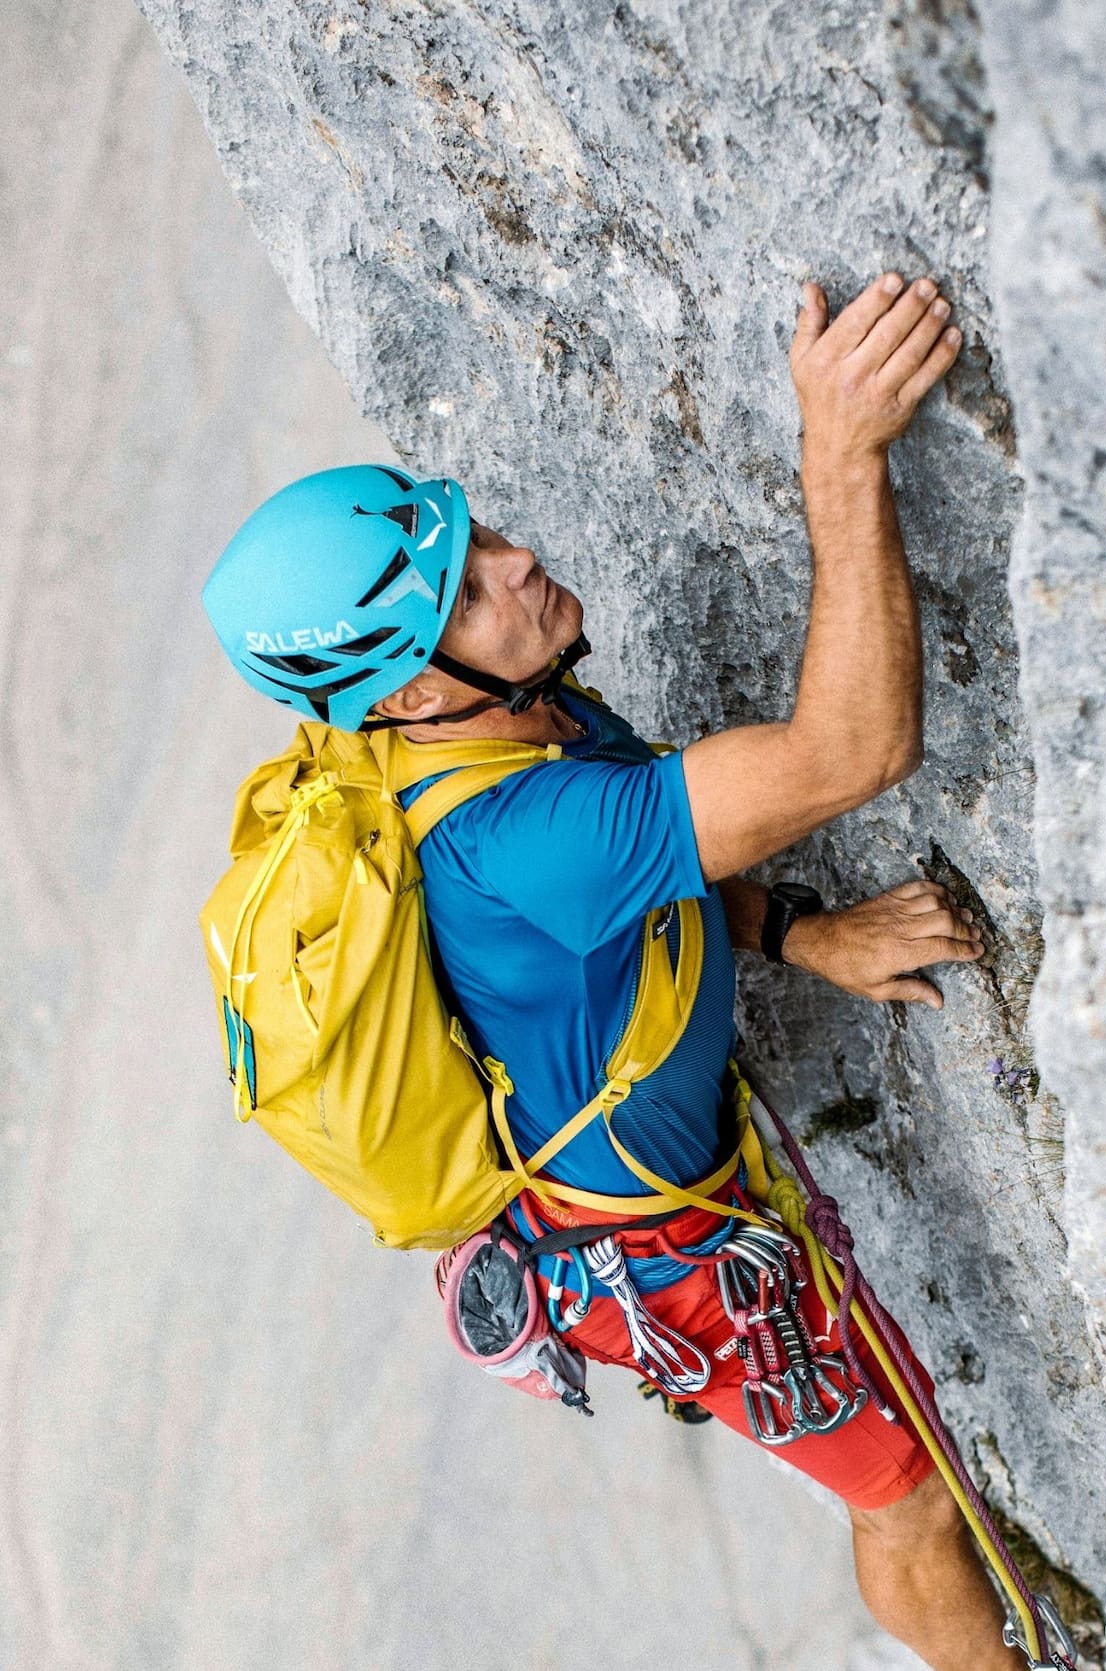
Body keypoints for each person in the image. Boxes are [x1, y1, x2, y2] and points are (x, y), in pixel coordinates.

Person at [205, 273, 1020, 1671]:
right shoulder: (523, 830)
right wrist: (839, 450)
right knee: (905, 1505)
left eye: (479, 540)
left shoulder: (489, 722)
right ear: (404, 693)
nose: (514, 567)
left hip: (638, 1197)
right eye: (459, 594)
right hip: (665, 1257)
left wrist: (798, 934)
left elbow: (648, 880)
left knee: (904, 1473)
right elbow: (845, 755)